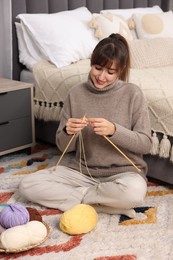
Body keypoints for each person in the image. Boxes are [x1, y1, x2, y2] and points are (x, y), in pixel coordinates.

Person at [19, 33, 152, 218]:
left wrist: (114, 131)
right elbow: (63, 147)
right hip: (82, 173)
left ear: (120, 71)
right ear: (91, 63)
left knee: (135, 192)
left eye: (110, 72)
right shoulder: (76, 94)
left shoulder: (133, 94)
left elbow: (146, 143)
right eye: (98, 68)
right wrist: (68, 131)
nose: (102, 77)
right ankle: (103, 205)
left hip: (123, 174)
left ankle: (84, 199)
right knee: (27, 185)